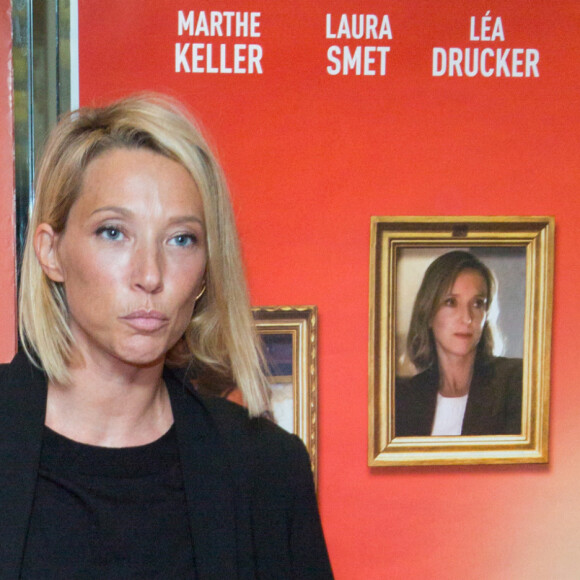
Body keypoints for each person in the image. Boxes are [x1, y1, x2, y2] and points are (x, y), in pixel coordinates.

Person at [0, 94, 333, 578]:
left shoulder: (265, 471)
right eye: (114, 232)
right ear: (51, 252)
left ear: (205, 271)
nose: (150, 274)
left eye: (181, 239)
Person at [395, 251, 522, 437]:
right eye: (451, 302)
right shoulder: (405, 398)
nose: (467, 318)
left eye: (477, 304)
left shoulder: (515, 381)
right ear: (429, 313)